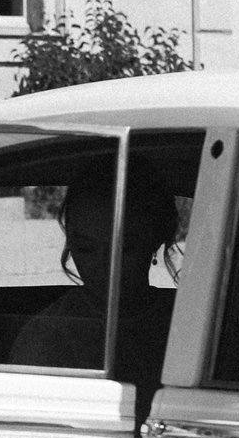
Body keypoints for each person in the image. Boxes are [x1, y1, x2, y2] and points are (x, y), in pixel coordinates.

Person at [10, 162, 181, 389]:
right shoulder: (49, 336)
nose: (104, 265)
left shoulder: (188, 323)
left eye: (123, 248)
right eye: (85, 249)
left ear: (154, 241)